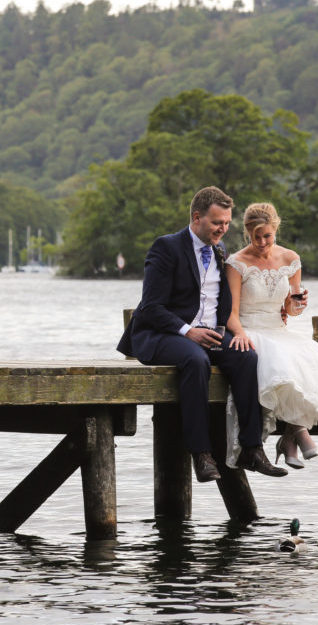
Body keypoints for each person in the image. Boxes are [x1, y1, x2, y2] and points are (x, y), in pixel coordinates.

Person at [118, 187, 287, 481]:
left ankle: (251, 448)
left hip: (208, 334)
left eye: (226, 223)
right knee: (196, 361)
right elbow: (151, 307)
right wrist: (188, 331)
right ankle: (201, 454)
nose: (223, 229)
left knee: (247, 357)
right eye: (217, 223)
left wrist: (273, 312)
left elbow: (225, 301)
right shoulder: (166, 248)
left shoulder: (220, 251)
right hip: (162, 335)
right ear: (197, 218)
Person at [222, 202, 318, 469]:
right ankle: (297, 434)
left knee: (314, 362)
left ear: (276, 230)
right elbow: (230, 312)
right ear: (247, 233)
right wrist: (238, 332)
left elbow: (290, 309)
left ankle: (290, 436)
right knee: (280, 364)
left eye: (267, 236)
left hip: (279, 329)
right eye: (256, 237)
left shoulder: (290, 259)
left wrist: (296, 305)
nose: (262, 242)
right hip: (250, 329)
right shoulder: (236, 263)